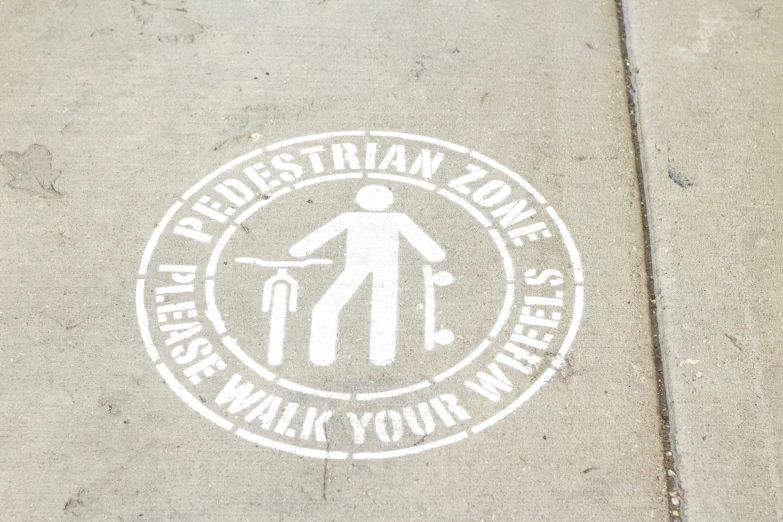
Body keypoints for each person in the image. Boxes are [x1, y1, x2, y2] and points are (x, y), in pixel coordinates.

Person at [289, 185, 445, 366]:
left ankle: (325, 355)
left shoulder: (372, 218)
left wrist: (300, 251)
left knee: (334, 307)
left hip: (369, 268)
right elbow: (432, 251)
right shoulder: (391, 219)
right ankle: (379, 357)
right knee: (381, 310)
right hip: (368, 268)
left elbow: (309, 243)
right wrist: (433, 254)